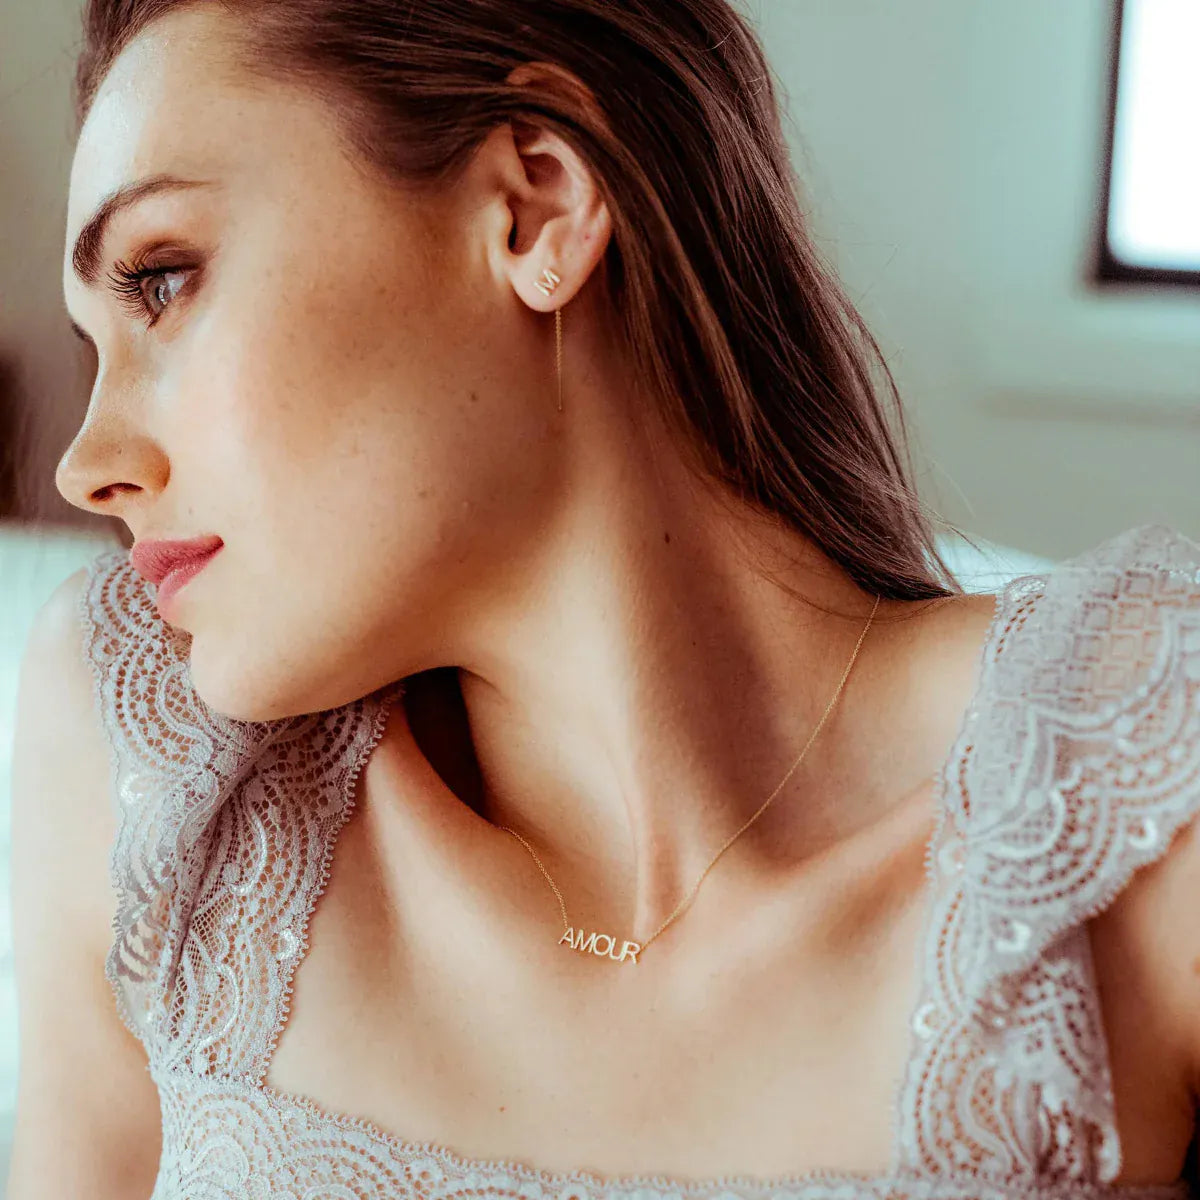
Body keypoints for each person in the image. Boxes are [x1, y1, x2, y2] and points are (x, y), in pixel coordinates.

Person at [7, 1, 1200, 1196]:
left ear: (534, 206)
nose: (84, 466)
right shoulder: (149, 764)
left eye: (162, 281)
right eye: (94, 346)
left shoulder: (1145, 789)